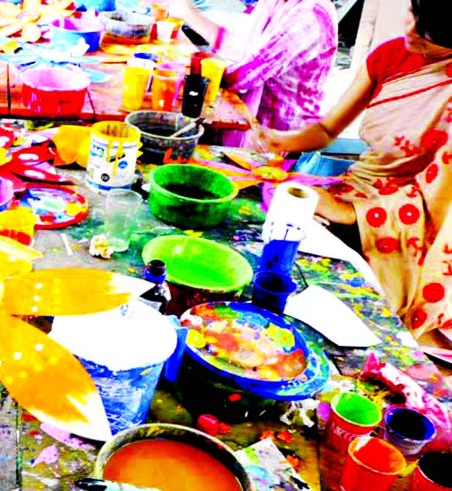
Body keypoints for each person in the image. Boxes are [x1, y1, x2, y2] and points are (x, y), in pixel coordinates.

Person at [260, 0, 452, 350]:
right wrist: (277, 140)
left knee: (347, 328)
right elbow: (327, 130)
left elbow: (444, 205)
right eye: (413, 17)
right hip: (356, 186)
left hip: (414, 230)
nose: (410, 34)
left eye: (428, 35)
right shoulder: (390, 56)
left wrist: (353, 213)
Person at [166, 0, 337, 143]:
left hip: (281, 137)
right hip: (251, 118)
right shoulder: (274, 3)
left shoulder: (308, 15)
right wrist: (189, 13)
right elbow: (238, 48)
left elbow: (244, 76)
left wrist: (189, 14)